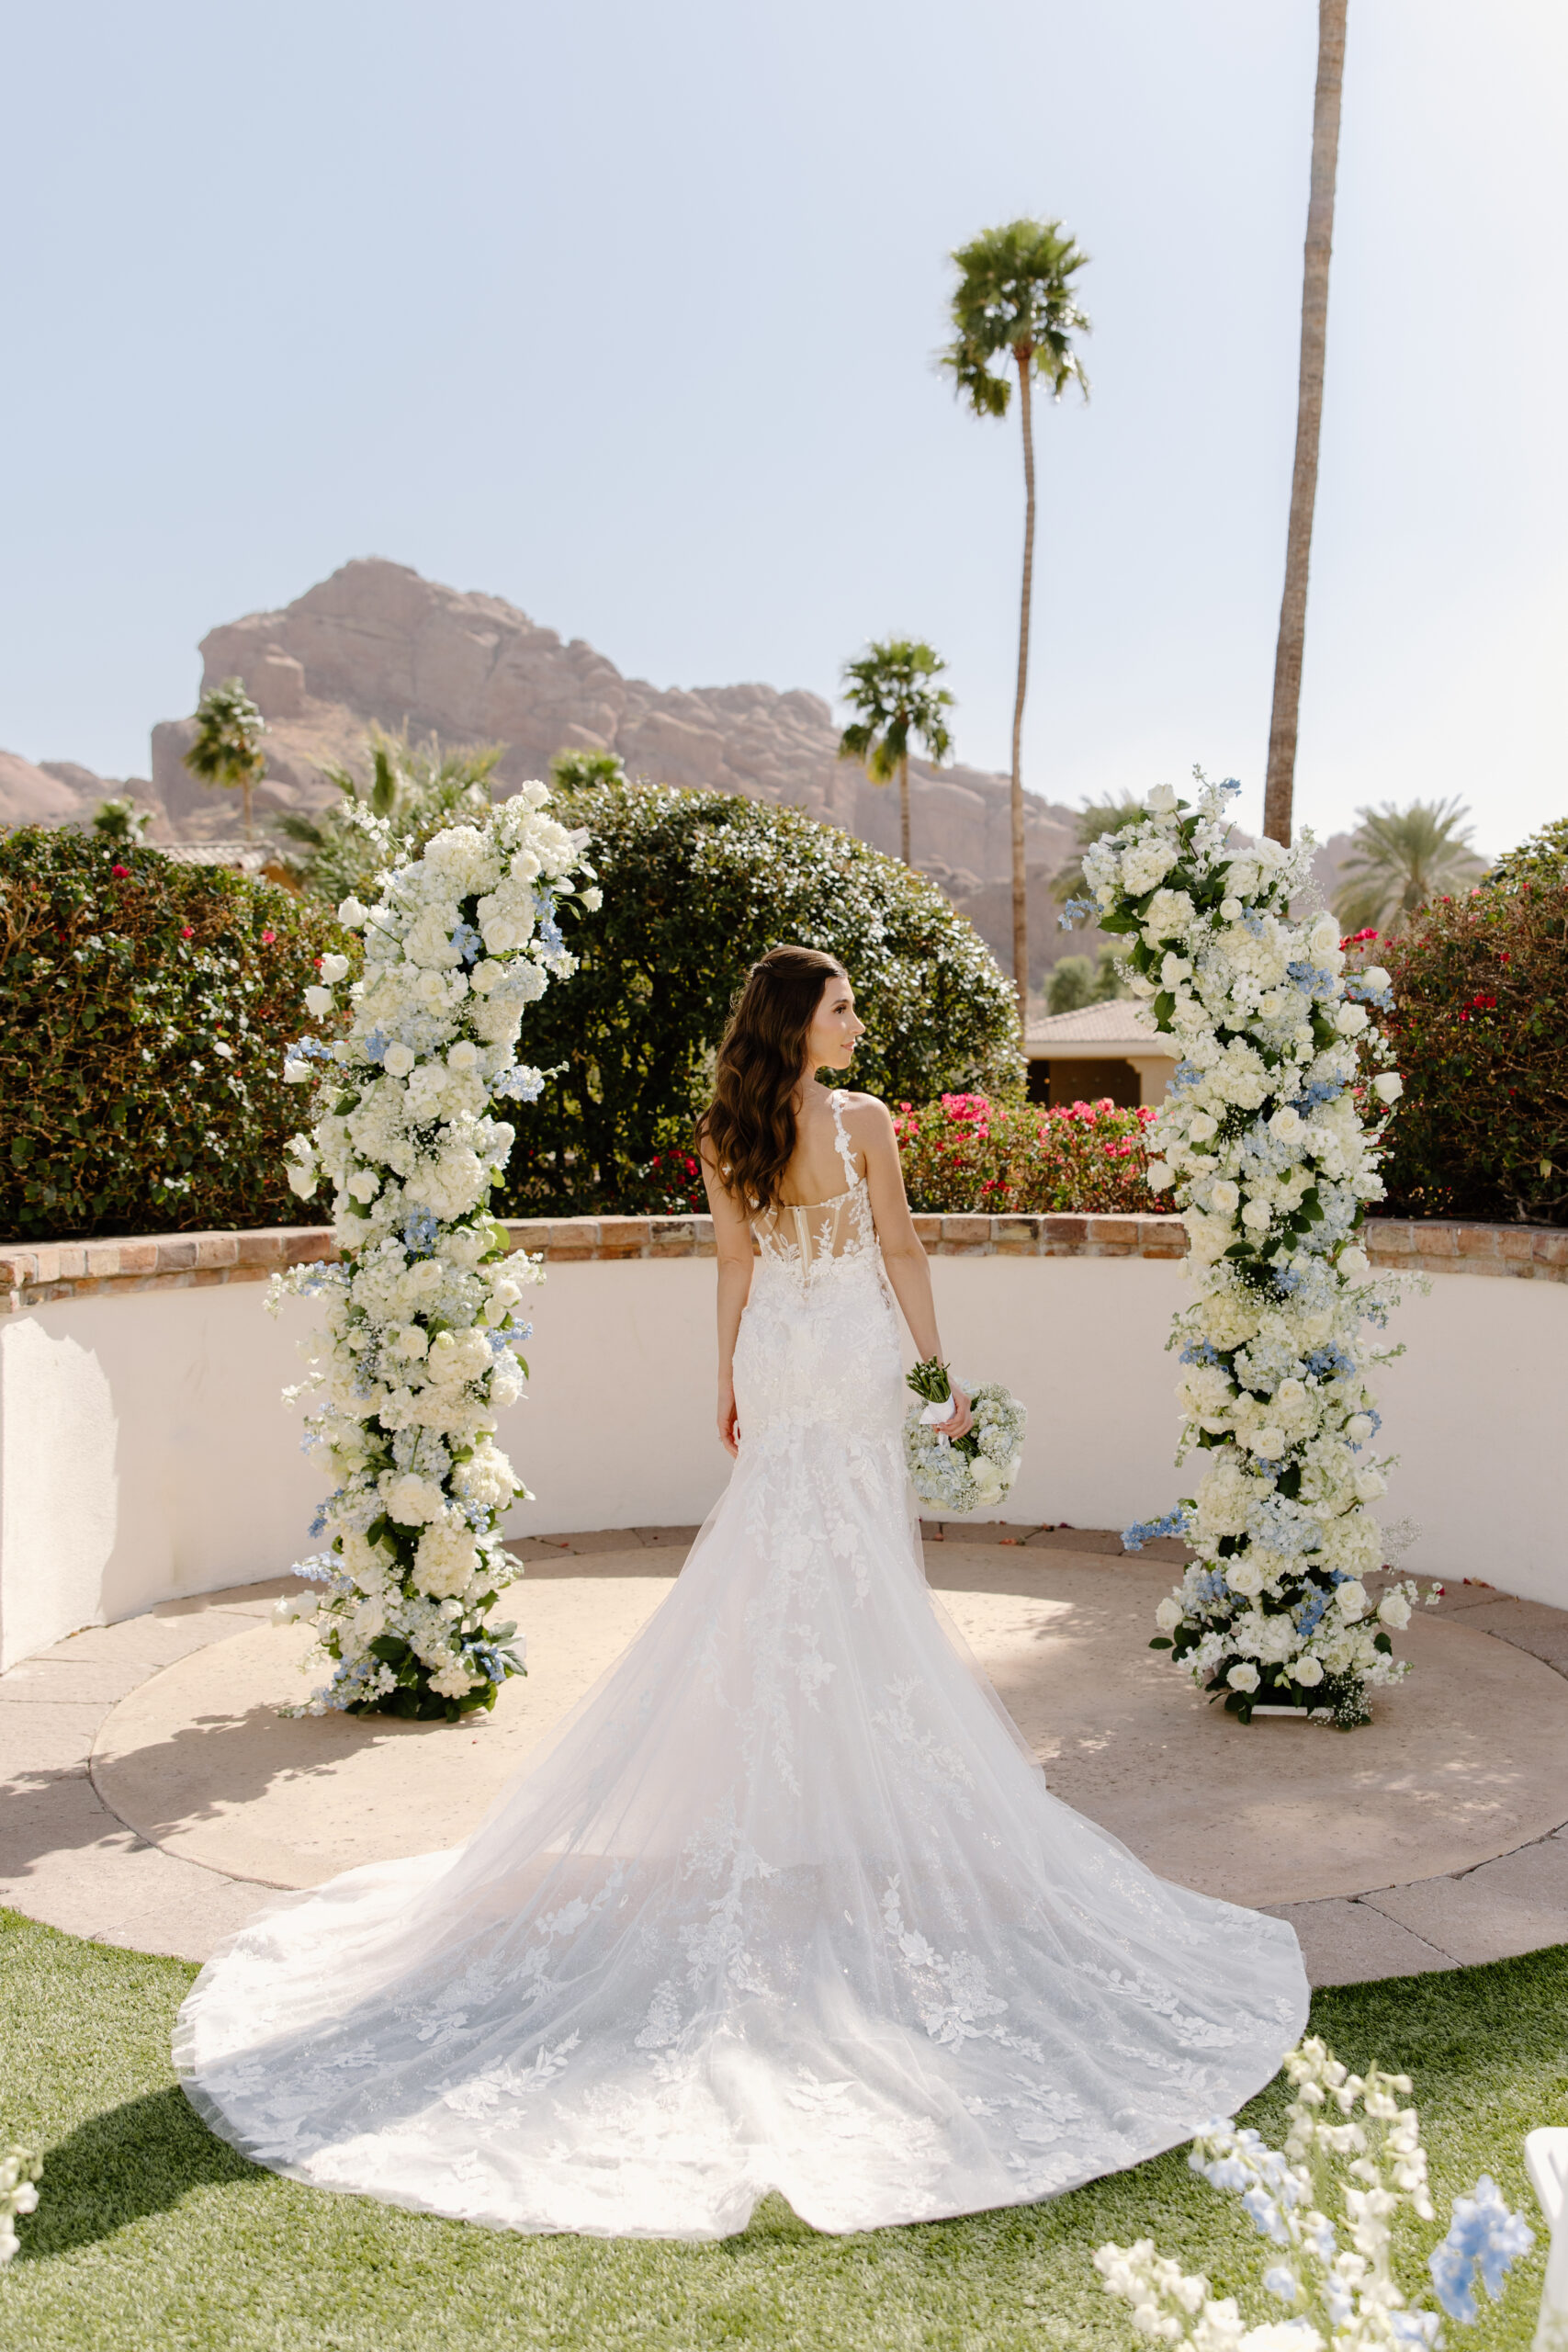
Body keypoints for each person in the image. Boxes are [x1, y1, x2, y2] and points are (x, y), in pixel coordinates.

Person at [176, 943, 1307, 2241]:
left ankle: (792, 1783)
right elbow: (901, 1248)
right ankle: (841, 1785)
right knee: (854, 1566)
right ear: (799, 1019)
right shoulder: (865, 1121)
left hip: (780, 1348)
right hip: (848, 1350)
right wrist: (936, 1371)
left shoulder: (728, 1127)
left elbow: (733, 1263)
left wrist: (725, 1376)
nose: (856, 1018)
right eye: (840, 1004)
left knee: (779, 1555)